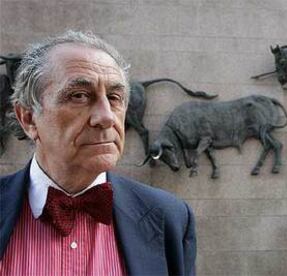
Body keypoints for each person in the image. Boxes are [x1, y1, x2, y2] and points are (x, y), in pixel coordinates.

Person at [0, 30, 196, 276]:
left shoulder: (170, 217)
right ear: (28, 118)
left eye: (115, 97)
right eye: (79, 96)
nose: (106, 117)